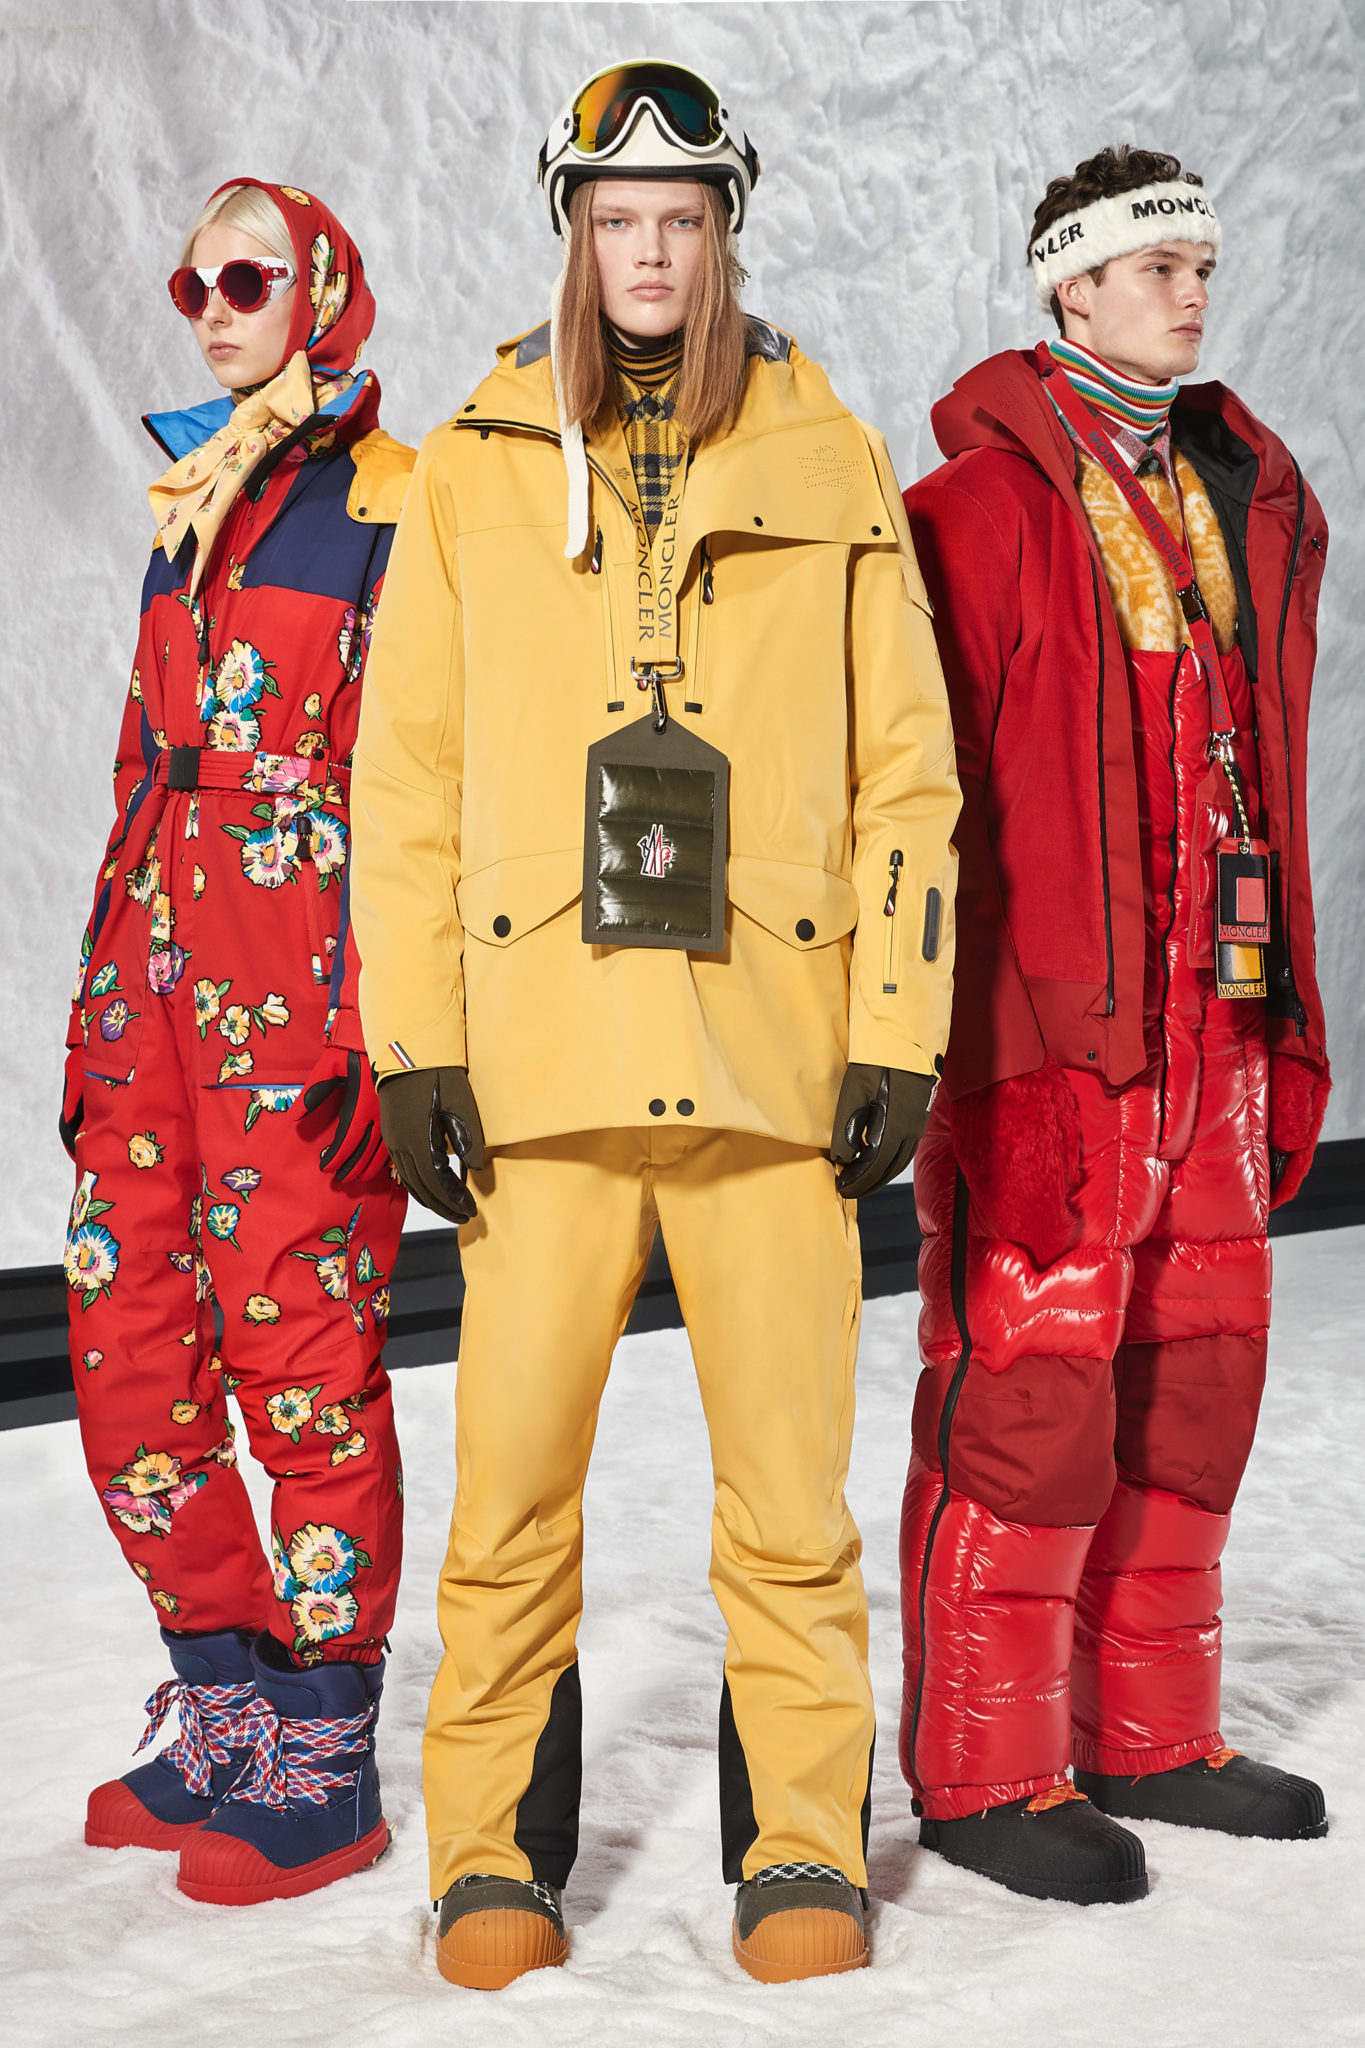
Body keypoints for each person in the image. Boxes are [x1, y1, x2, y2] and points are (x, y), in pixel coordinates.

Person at [350, 60, 959, 1988]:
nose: (647, 253)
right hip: (540, 1064)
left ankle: (800, 1848)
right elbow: (406, 780)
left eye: (679, 221)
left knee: (787, 1504)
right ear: (572, 233)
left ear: (722, 235)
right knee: (510, 1500)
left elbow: (907, 772)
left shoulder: (829, 453)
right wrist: (413, 1043)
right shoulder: (467, 465)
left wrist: (898, 1023)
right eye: (616, 221)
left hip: (769, 1060)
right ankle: (488, 1863)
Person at [898, 145, 1331, 1906]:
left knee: (1191, 1391)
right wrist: (962, 1049)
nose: (1189, 289)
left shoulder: (1235, 497)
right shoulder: (972, 513)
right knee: (1028, 1406)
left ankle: (1153, 1735)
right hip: (1054, 1047)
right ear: (1067, 286)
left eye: (1201, 262)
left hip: (1212, 1033)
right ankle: (986, 1774)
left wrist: (1281, 1019)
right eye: (1154, 264)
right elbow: (909, 804)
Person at [62, 178, 413, 1906]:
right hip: (151, 988)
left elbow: (423, 785)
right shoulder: (188, 501)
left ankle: (326, 1760)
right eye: (191, 282)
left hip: (302, 993)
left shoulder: (396, 505)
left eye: (248, 279)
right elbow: (145, 763)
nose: (212, 308)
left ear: (320, 293)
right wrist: (94, 1006)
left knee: (301, 1353)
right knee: (127, 1341)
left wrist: (395, 1031)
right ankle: (224, 1716)